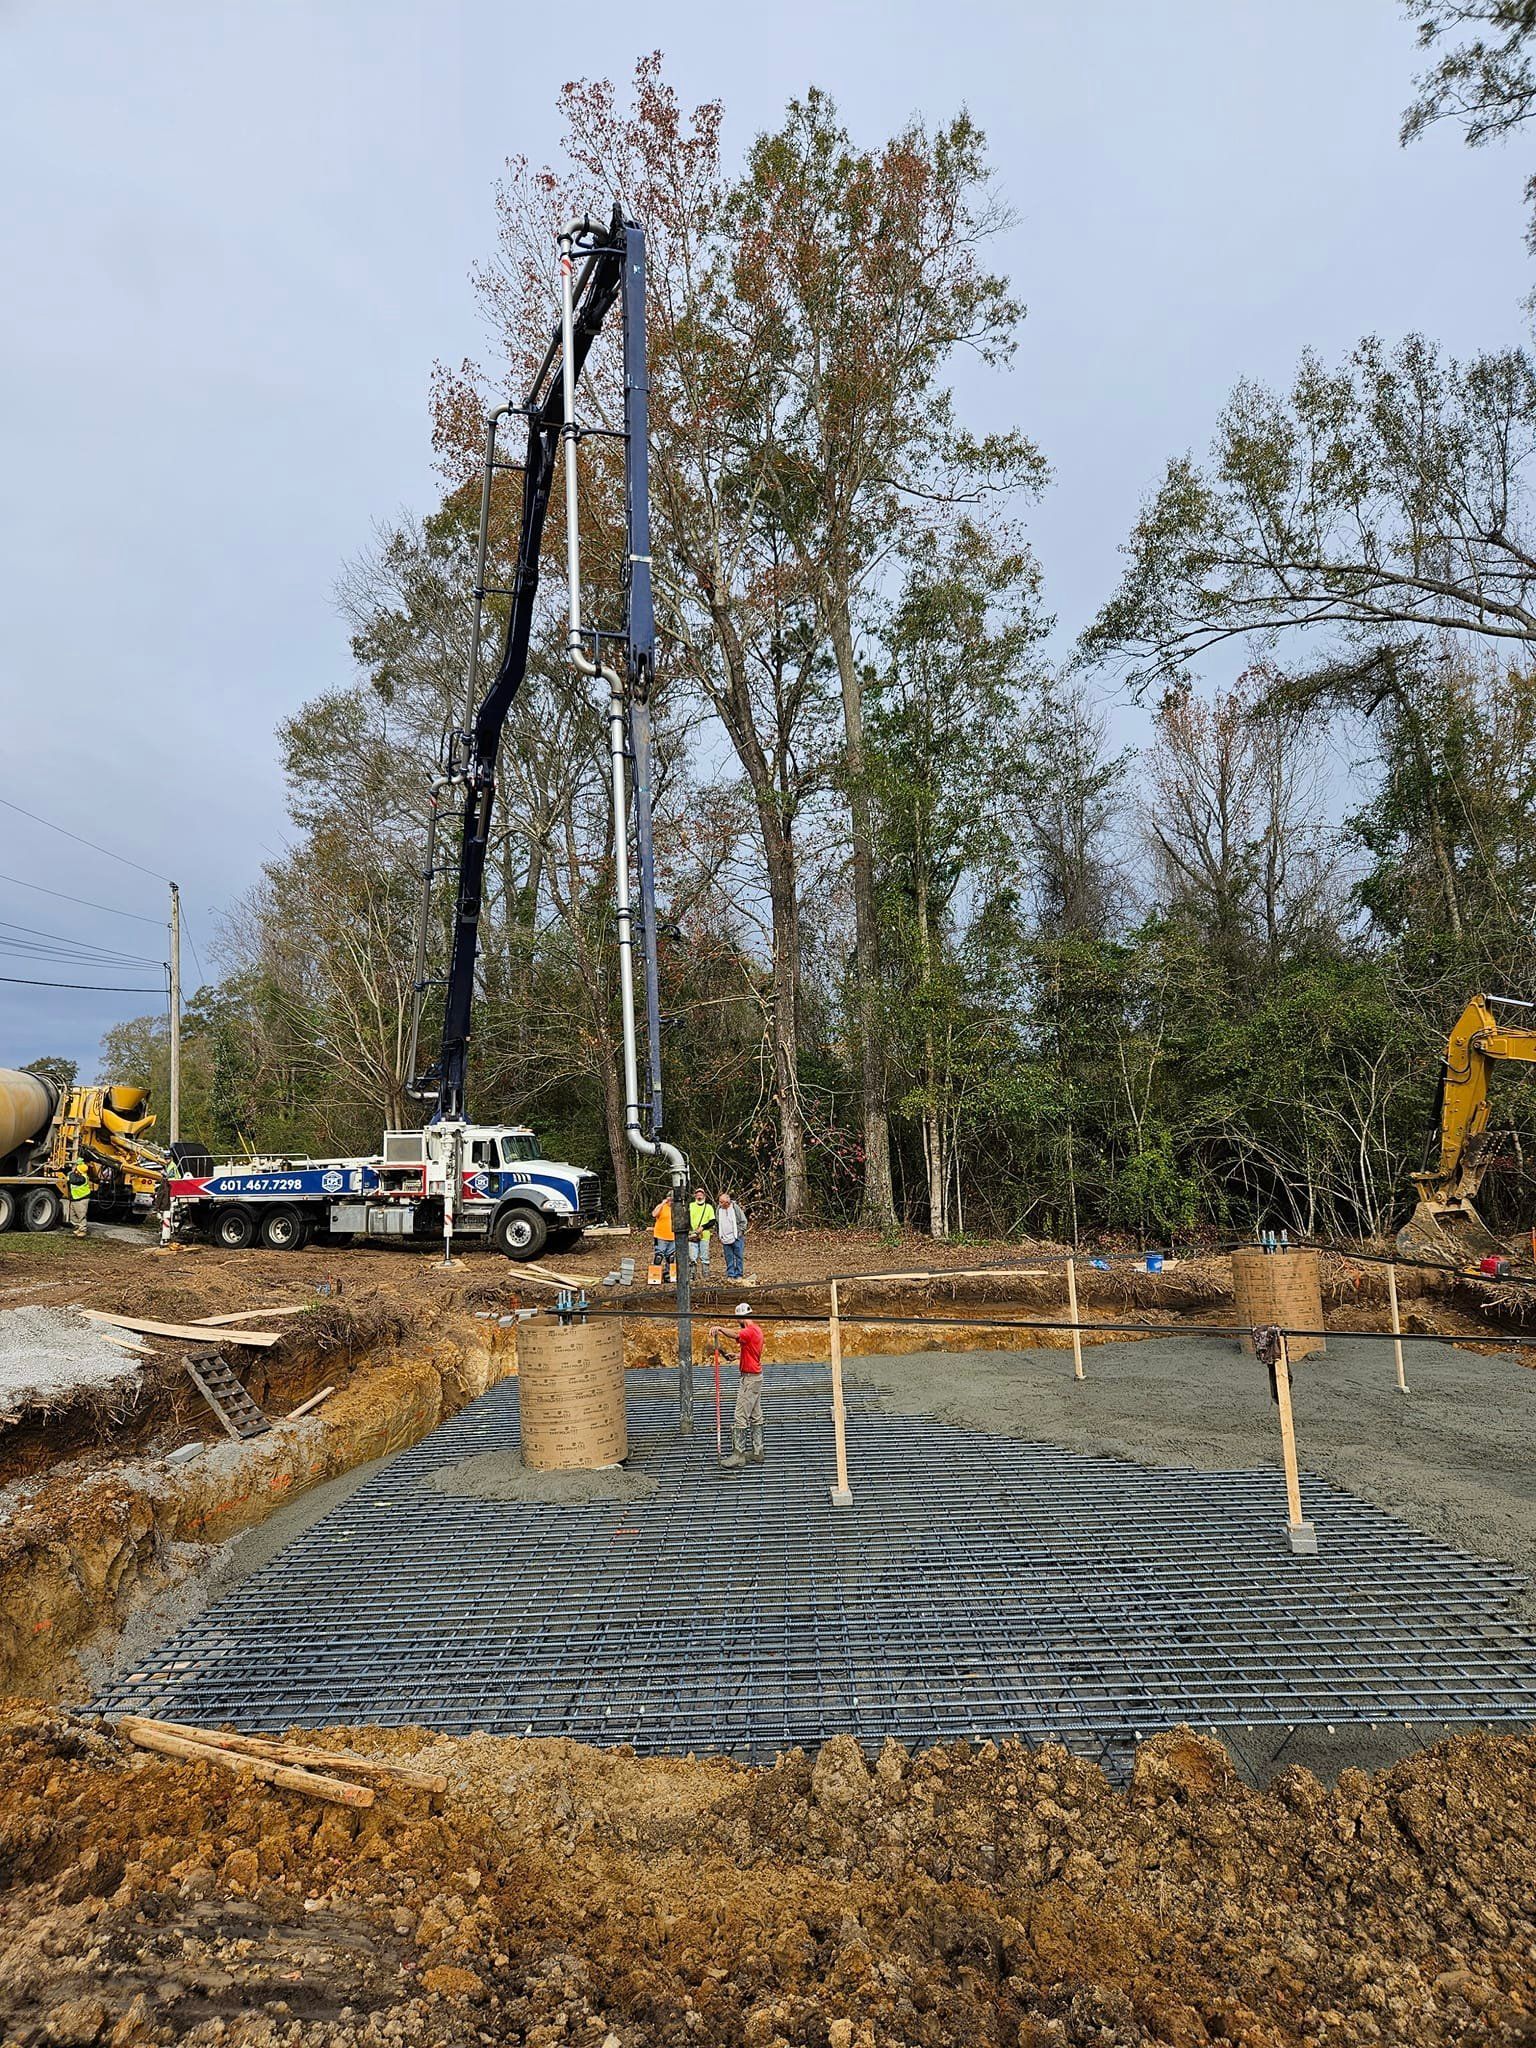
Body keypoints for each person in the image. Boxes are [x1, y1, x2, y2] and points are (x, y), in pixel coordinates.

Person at [715, 1302, 765, 1468]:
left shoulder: (748, 1330)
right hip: (756, 1377)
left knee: (740, 1415)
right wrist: (737, 1356)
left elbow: (736, 1334)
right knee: (756, 1415)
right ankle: (758, 1452)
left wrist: (720, 1329)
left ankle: (739, 1455)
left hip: (749, 1379)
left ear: (741, 1317)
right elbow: (751, 1350)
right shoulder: (757, 1330)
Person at [717, 1192, 746, 1281]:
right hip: (725, 1237)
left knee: (739, 1256)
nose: (720, 1204)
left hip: (736, 1237)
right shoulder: (718, 1209)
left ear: (728, 1203)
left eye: (722, 1202)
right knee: (728, 1257)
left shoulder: (735, 1208)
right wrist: (719, 1234)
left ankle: (739, 1274)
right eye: (720, 1202)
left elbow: (743, 1221)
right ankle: (730, 1274)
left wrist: (739, 1232)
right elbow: (717, 1222)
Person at [688, 1186, 716, 1274]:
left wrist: (703, 1227)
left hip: (704, 1235)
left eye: (701, 1195)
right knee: (692, 1257)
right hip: (692, 1234)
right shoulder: (690, 1206)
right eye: (697, 1195)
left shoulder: (709, 1207)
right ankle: (692, 1275)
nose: (699, 1197)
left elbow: (712, 1221)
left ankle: (706, 1274)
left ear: (704, 1196)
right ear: (695, 1196)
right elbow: (686, 1219)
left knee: (705, 1257)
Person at [650, 1193, 676, 1283]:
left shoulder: (676, 1208)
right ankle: (655, 1277)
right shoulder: (662, 1206)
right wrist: (662, 1203)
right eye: (670, 1198)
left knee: (671, 1258)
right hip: (660, 1236)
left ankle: (668, 1276)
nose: (671, 1200)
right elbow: (654, 1214)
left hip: (672, 1236)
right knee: (659, 1257)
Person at [65, 1158, 92, 1238]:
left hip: (81, 1199)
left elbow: (73, 1180)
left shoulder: (82, 1178)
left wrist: (71, 1173)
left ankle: (83, 1230)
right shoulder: (79, 1174)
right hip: (76, 1198)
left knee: (81, 1215)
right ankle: (78, 1228)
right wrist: (78, 1163)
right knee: (73, 1216)